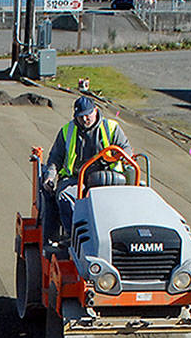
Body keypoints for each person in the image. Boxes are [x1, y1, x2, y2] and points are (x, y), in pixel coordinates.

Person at [41, 95, 134, 242]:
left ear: (95, 111)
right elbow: (55, 158)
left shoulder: (111, 128)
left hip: (107, 177)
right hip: (76, 179)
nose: (85, 119)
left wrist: (121, 156)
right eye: (80, 116)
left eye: (87, 115)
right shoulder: (67, 131)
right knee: (64, 197)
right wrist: (50, 176)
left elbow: (126, 149)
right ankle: (75, 238)